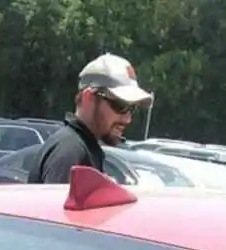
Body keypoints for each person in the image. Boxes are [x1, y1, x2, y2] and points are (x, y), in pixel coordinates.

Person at [33, 53, 151, 185]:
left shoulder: (84, 148)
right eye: (121, 105)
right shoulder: (70, 150)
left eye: (132, 108)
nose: (127, 119)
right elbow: (55, 205)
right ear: (88, 97)